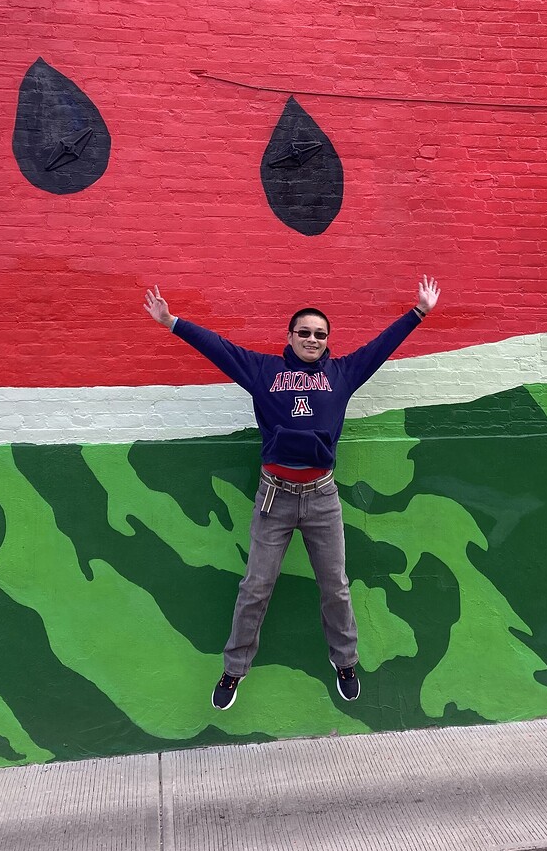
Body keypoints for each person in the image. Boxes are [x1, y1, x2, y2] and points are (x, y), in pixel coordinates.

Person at [143, 277, 441, 709]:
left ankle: (345, 662)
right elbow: (219, 348)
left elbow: (380, 348)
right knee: (255, 586)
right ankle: (233, 670)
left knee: (335, 587)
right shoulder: (264, 372)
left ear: (327, 342)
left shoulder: (342, 374)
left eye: (320, 334)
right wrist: (172, 322)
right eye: (304, 332)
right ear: (289, 336)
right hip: (274, 499)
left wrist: (418, 312)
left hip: (322, 498)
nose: (313, 339)